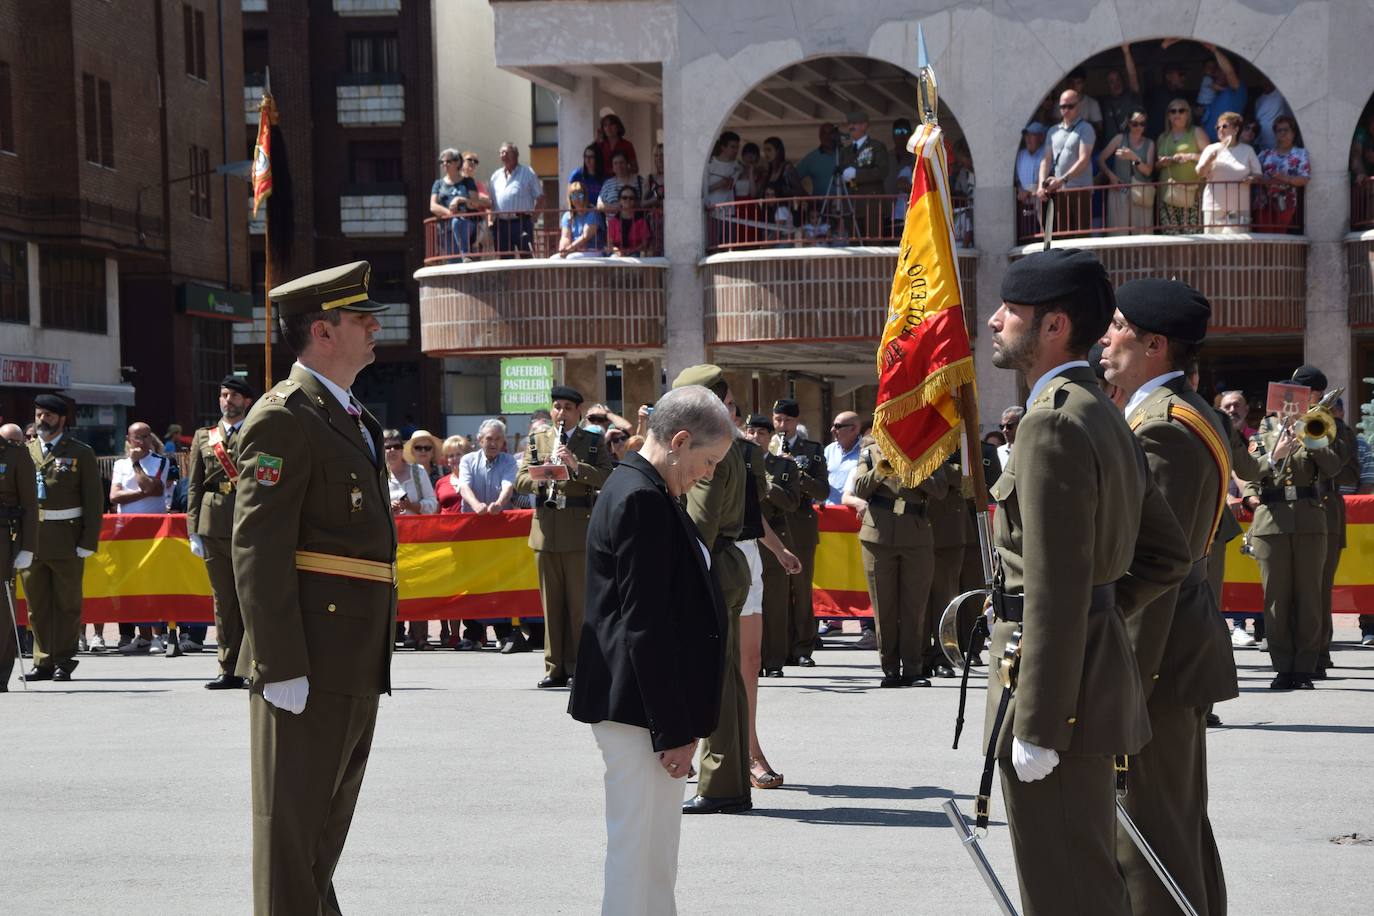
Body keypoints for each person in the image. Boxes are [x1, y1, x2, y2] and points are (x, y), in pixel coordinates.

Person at [983, 248, 1190, 915]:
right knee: (1082, 876)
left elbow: (1054, 587)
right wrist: (1100, 616)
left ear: (1053, 326)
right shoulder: (1099, 409)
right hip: (1079, 675)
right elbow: (1166, 554)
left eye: (1011, 310)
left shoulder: (1053, 421)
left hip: (1053, 696)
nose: (994, 321)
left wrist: (1040, 721)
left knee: (1066, 889)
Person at [230, 260, 397, 915]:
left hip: (352, 657)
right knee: (290, 837)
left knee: (321, 839)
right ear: (324, 333)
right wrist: (277, 662)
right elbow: (257, 545)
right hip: (307, 658)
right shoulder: (285, 416)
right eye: (362, 319)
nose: (376, 327)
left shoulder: (353, 417)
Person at [1100, 278, 1239, 915]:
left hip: (1155, 661)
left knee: (1146, 837)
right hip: (1176, 653)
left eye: (1120, 327)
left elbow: (1156, 569)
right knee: (1174, 825)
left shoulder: (1164, 429)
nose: (1106, 337)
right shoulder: (1178, 413)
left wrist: (1118, 681)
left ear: (1155, 346)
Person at [567, 385, 733, 915]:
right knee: (638, 853)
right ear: (679, 441)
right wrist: (673, 728)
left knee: (655, 853)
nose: (707, 473)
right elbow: (646, 624)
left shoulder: (643, 488)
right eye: (707, 461)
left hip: (643, 705)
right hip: (641, 708)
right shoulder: (641, 497)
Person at [672, 365, 753, 816]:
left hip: (712, 567)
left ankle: (720, 783)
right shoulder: (730, 443)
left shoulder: (711, 448)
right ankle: (731, 781)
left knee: (715, 681)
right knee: (727, 680)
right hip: (727, 565)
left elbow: (700, 523)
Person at [1240, 365, 1344, 690]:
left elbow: (1333, 467)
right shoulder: (1261, 434)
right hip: (1271, 521)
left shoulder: (1313, 429)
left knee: (1310, 595)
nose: (1289, 406)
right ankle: (1283, 665)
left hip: (1311, 520)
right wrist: (1276, 452)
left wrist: (1309, 437)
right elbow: (1250, 474)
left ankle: (1306, 665)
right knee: (1276, 597)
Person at [514, 385, 613, 688]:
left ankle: (579, 667)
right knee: (551, 605)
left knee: (578, 605)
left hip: (578, 531)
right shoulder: (537, 440)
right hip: (546, 531)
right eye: (557, 407)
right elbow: (519, 480)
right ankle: (554, 667)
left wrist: (575, 467)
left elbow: (608, 476)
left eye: (568, 408)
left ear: (578, 413)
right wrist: (543, 474)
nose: (561, 413)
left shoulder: (592, 442)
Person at [843, 440, 946, 687]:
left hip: (916, 533)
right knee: (884, 606)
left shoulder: (929, 448)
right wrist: (882, 468)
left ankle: (913, 668)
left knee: (914, 606)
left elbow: (940, 490)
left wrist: (913, 470)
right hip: (878, 535)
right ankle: (890, 668)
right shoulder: (870, 451)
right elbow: (859, 488)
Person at [20, 393, 102, 682]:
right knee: (37, 605)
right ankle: (42, 660)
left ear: (62, 419)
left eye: (49, 415)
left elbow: (94, 501)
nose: (42, 420)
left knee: (67, 604)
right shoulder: (25, 450)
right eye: (39, 414)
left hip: (68, 538)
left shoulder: (81, 452)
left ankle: (63, 660)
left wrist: (88, 541)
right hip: (33, 540)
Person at [187, 375, 254, 690]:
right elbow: (194, 486)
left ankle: (255, 665)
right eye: (224, 395)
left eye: (235, 396)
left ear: (247, 401)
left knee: (252, 599)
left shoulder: (259, 432)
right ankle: (228, 667)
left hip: (250, 525)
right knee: (224, 600)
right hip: (213, 526)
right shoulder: (204, 437)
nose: (228, 400)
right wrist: (193, 530)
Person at [1300, 369, 1359, 678]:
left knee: (1319, 586)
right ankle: (1294, 650)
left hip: (1325, 506)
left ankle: (1319, 652)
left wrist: (1317, 430)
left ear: (1316, 392)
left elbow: (1344, 471)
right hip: (1293, 509)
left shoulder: (1338, 428)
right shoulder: (1283, 422)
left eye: (1304, 390)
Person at [771, 399, 829, 666]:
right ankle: (778, 647)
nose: (782, 425)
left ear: (796, 422)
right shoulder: (765, 446)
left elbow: (822, 490)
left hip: (801, 525)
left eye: (787, 420)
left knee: (802, 588)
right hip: (775, 525)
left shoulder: (812, 450)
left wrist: (796, 470)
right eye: (778, 419)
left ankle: (803, 647)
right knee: (777, 591)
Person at [747, 415, 802, 680]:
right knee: (750, 603)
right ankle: (752, 659)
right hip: (748, 537)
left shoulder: (783, 466)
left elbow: (792, 502)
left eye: (761, 433)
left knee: (776, 604)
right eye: (752, 432)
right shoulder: (742, 462)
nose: (756, 437)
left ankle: (774, 661)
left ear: (770, 437)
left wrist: (768, 486)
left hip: (775, 536)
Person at [0, 426, 37, 691]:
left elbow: (30, 504)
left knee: (2, 610)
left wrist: (28, 546)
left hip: (4, 538)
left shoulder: (15, 455)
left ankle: (1, 672)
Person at [1039, 89, 1096, 234]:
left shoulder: (1086, 128)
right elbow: (1046, 160)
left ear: (1079, 106)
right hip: (1060, 193)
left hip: (1080, 192)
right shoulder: (1052, 131)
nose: (1066, 110)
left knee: (1081, 239)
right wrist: (1041, 185)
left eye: (1070, 106)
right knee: (1062, 239)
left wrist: (1061, 180)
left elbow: (1084, 160)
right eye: (1063, 106)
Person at [1197, 111, 1261, 233]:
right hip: (1213, 206)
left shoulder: (1248, 150)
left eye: (1224, 126)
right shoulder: (1210, 149)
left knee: (1238, 245)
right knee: (1213, 245)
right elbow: (1200, 173)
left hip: (1239, 207)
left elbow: (1258, 174)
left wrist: (1252, 178)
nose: (1220, 129)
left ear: (1236, 129)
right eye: (1218, 127)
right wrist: (1209, 160)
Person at [1155, 98, 1211, 232]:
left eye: (1181, 110)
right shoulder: (1162, 138)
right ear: (1168, 116)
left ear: (1188, 114)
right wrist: (1162, 163)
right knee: (1170, 237)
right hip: (1168, 196)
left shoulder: (1196, 132)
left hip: (1191, 194)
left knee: (1193, 236)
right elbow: (1155, 167)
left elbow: (1211, 157)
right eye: (1173, 111)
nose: (1177, 114)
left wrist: (1190, 156)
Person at [1097, 108, 1155, 232]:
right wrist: (1111, 175)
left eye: (1142, 124)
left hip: (1140, 191)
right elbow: (1101, 159)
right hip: (1119, 190)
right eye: (1135, 123)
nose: (1138, 127)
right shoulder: (1119, 139)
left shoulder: (1149, 143)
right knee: (1118, 232)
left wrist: (1133, 157)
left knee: (1142, 233)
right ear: (1128, 123)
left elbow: (1148, 171)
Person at [839, 110, 891, 238]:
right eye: (849, 124)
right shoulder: (846, 151)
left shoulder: (876, 147)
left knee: (874, 244)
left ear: (865, 125)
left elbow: (882, 171)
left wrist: (857, 174)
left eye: (855, 123)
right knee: (855, 245)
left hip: (871, 204)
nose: (851, 127)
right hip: (852, 204)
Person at [1255, 116, 1309, 233]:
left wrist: (1284, 178)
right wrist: (1266, 181)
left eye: (1286, 130)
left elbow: (1304, 179)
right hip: (1264, 203)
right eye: (1279, 130)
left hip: (1286, 203)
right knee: (1264, 235)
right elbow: (1254, 175)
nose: (1283, 133)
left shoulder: (1300, 154)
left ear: (1293, 133)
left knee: (1280, 234)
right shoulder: (1265, 154)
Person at [490, 142, 544, 256]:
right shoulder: (495, 176)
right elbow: (492, 201)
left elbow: (540, 197)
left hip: (521, 222)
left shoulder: (528, 172)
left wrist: (532, 219)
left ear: (516, 155)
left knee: (527, 259)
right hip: (501, 225)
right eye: (501, 153)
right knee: (504, 262)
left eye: (507, 152)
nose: (503, 155)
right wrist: (491, 221)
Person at [429, 148, 486, 258]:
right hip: (446, 228)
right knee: (453, 262)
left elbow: (475, 203)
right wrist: (450, 213)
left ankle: (466, 254)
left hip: (467, 225)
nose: (444, 164)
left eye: (448, 161)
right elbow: (433, 206)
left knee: (457, 222)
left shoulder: (467, 181)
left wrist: (460, 199)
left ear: (457, 163)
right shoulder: (438, 184)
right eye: (442, 162)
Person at [458, 419, 518, 514]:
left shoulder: (509, 461)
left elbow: (508, 487)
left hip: (501, 521)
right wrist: (476, 505)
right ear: (480, 440)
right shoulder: (467, 460)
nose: (493, 444)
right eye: (489, 439)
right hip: (473, 521)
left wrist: (499, 504)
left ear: (503, 441)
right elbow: (464, 487)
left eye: (498, 439)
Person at [1201, 44, 1247, 142]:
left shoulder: (1238, 91)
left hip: (1226, 144)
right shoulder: (1216, 94)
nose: (1214, 73)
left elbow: (1229, 72)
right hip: (1209, 145)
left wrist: (1214, 50)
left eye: (1218, 70)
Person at [555, 181, 605, 258]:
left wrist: (568, 249)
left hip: (593, 250)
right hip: (574, 250)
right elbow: (565, 237)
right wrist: (563, 248)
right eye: (574, 196)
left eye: (580, 195)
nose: (577, 199)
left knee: (571, 258)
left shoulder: (592, 213)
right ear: (570, 198)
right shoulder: (567, 216)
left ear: (585, 196)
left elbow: (585, 236)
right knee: (555, 259)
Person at [796, 124, 840, 199]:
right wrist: (807, 197)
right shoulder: (811, 158)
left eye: (830, 133)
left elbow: (854, 181)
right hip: (821, 206)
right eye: (823, 133)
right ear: (819, 136)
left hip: (845, 204)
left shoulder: (846, 154)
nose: (827, 136)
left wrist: (852, 188)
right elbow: (794, 177)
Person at [607, 186, 652, 256]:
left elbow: (645, 243)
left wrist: (631, 251)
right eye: (624, 198)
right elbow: (610, 244)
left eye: (631, 198)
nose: (628, 200)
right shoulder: (613, 222)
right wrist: (618, 252)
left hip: (636, 253)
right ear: (620, 200)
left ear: (635, 201)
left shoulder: (642, 221)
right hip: (617, 254)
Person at [597, 150, 643, 217]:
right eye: (615, 163)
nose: (619, 166)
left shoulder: (640, 181)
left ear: (627, 164)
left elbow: (645, 201)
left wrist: (629, 204)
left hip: (636, 224)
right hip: (613, 225)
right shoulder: (607, 184)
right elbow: (599, 205)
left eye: (621, 163)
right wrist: (614, 206)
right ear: (612, 167)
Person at [434, 435, 470, 514]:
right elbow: (436, 512)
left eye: (458, 454)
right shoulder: (440, 483)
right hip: (445, 525)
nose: (454, 458)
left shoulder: (477, 479)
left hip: (470, 525)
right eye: (451, 456)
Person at [568, 143, 606, 208]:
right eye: (585, 157)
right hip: (581, 212)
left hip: (599, 213)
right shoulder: (577, 175)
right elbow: (569, 196)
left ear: (597, 158)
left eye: (591, 157)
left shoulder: (605, 178)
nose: (587, 160)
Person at [995, 406, 1022, 472]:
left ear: (1021, 424)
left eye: (1009, 426)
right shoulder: (998, 452)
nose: (1004, 430)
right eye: (1002, 426)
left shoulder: (1030, 451)